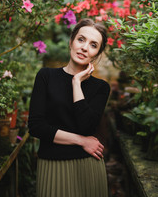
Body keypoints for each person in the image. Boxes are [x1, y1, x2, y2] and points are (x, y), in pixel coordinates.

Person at [28, 18, 110, 197]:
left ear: (96, 54)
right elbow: (36, 127)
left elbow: (86, 126)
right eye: (81, 39)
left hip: (88, 168)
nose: (84, 47)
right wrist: (81, 141)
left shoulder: (101, 88)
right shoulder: (46, 76)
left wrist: (76, 84)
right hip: (52, 166)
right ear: (71, 41)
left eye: (93, 45)